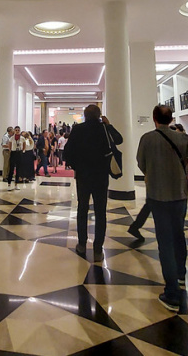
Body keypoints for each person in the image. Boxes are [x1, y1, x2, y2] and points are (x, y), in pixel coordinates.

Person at [136, 105, 188, 312]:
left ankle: (172, 292)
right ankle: (181, 275)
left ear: (154, 119)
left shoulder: (147, 139)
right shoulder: (181, 138)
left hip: (158, 194)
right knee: (178, 235)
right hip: (179, 194)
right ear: (170, 119)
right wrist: (187, 162)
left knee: (164, 241)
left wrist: (154, 170)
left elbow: (141, 163)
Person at [63, 104, 122, 262]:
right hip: (101, 175)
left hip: (83, 175)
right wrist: (108, 124)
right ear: (99, 115)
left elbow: (67, 153)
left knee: (82, 209)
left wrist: (77, 165)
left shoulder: (78, 129)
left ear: (85, 115)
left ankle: (82, 244)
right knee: (100, 211)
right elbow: (119, 140)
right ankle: (97, 249)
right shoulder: (103, 129)